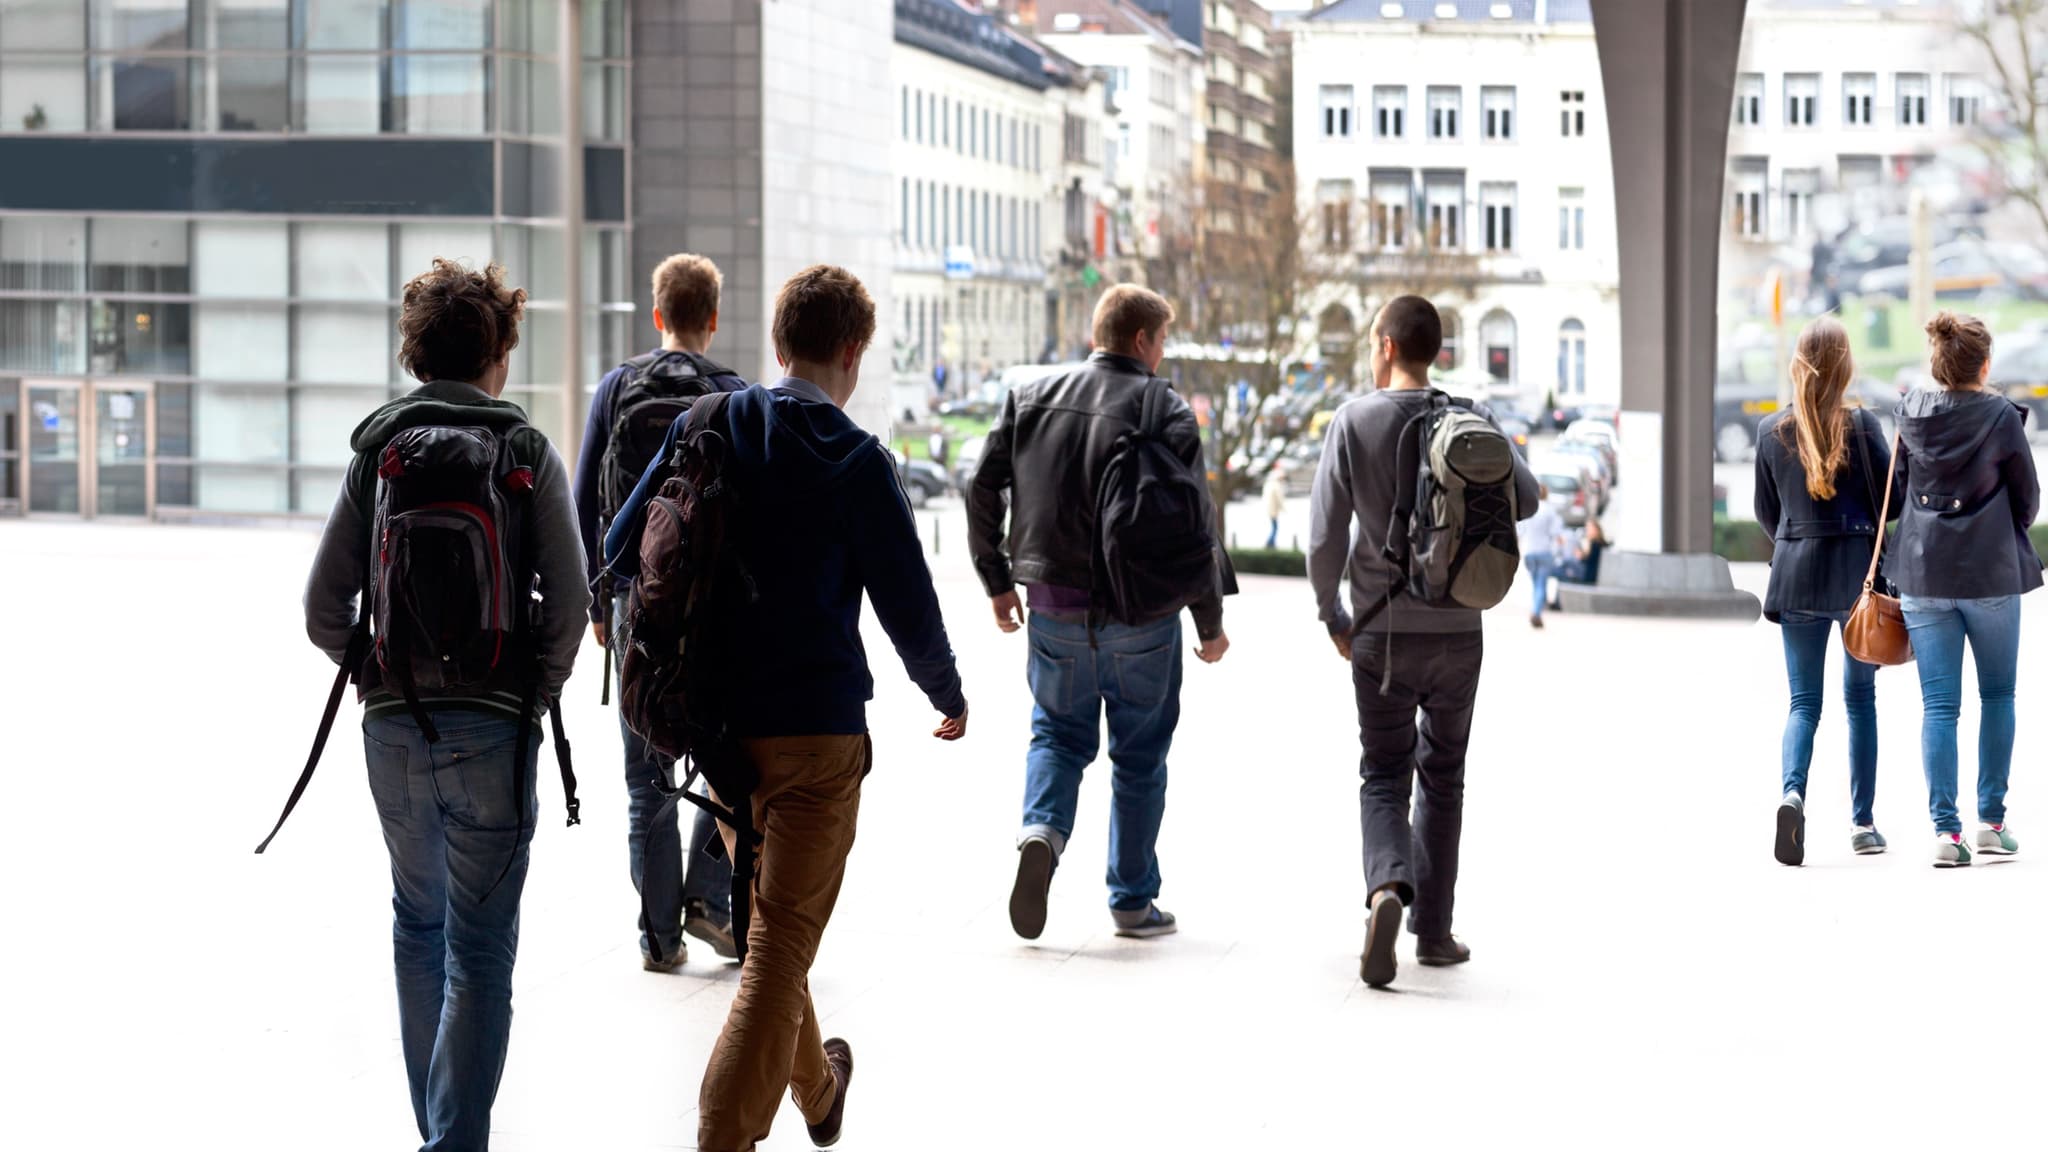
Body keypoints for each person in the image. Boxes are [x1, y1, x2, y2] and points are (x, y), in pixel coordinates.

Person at [606, 264, 968, 1152]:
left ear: (776, 345)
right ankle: (721, 1137)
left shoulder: (706, 424)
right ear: (853, 353)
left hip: (717, 737)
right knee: (776, 953)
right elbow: (908, 603)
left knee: (778, 931)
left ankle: (819, 1091)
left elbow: (617, 545)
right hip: (816, 740)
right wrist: (946, 692)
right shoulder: (856, 460)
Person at [304, 259, 588, 1150]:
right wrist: (531, 692)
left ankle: (436, 1135)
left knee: (416, 929)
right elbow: (573, 605)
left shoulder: (378, 455)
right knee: (480, 951)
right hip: (493, 731)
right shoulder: (525, 451)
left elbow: (323, 609)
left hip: (392, 731)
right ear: (500, 352)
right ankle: (453, 1144)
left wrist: (375, 674)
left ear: (414, 354)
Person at [969, 283, 1233, 942]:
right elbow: (1194, 521)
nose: (1161, 353)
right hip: (1144, 617)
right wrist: (1209, 624)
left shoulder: (1031, 396)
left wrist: (998, 581)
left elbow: (981, 485)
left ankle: (1041, 835)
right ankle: (1132, 900)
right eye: (1162, 341)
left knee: (1057, 737)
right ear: (1142, 340)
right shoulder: (1163, 406)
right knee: (1140, 760)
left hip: (1053, 608)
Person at [1307, 294, 1539, 990]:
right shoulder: (1470, 417)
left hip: (1379, 632)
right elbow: (1525, 499)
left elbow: (1323, 536)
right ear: (1435, 349)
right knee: (1444, 778)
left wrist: (1332, 613)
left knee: (1383, 771)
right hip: (1457, 633)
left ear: (1384, 345)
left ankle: (1386, 890)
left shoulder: (1353, 420)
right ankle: (1433, 935)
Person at [573, 253, 747, 971]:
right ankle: (709, 897)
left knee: (645, 778)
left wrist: (597, 595)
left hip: (634, 604)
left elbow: (586, 497)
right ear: (712, 317)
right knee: (725, 767)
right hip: (716, 612)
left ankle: (659, 937)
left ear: (656, 315)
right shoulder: (735, 396)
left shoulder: (618, 388)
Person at [1892, 311, 2042, 867]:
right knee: (1997, 696)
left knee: (1939, 706)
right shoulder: (2001, 417)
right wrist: (2000, 533)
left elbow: (1901, 488)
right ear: (1984, 364)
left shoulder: (1909, 411)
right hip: (1990, 575)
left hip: (1924, 575)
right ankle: (1991, 823)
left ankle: (1946, 833)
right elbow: (2027, 499)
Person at [1753, 316, 1895, 866]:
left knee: (1803, 703)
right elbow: (1892, 505)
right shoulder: (1864, 428)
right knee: (1860, 701)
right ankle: (1862, 824)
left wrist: (1793, 543)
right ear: (1845, 366)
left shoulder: (1770, 432)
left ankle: (1792, 794)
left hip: (1794, 578)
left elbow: (1768, 514)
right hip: (1856, 582)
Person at [1518, 484, 1566, 629]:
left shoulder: (1529, 510)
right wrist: (1561, 550)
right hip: (1545, 552)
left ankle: (1536, 609)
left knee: (1535, 585)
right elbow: (1556, 534)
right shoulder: (1550, 511)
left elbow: (1520, 531)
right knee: (1541, 584)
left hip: (1530, 552)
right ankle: (1537, 612)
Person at [1263, 462, 1288, 549]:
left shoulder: (1269, 483)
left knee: (1274, 527)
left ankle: (1271, 543)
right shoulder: (1276, 485)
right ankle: (1270, 543)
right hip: (1273, 510)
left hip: (1270, 509)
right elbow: (1279, 499)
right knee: (1275, 527)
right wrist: (1284, 509)